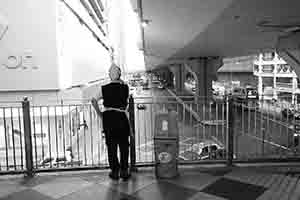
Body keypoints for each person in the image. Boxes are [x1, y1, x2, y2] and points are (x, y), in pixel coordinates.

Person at [91, 63, 131, 181]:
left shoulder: (104, 88)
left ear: (109, 75)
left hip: (108, 118)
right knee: (124, 145)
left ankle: (115, 172)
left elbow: (93, 101)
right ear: (119, 74)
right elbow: (126, 99)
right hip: (121, 117)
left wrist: (100, 114)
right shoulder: (125, 87)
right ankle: (124, 171)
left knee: (111, 146)